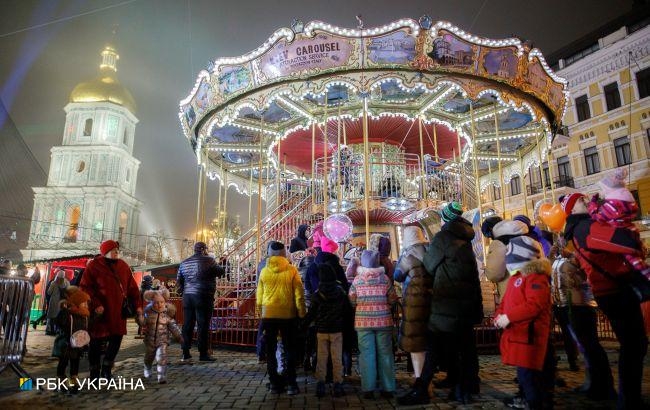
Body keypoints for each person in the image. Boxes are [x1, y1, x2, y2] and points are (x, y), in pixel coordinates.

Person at [564, 191, 648, 409]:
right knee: (634, 345)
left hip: (611, 289)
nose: (585, 200)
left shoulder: (584, 226)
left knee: (634, 344)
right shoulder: (585, 227)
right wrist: (629, 232)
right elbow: (623, 242)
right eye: (580, 200)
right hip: (614, 290)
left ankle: (629, 397)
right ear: (572, 209)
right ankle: (629, 400)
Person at [401, 202, 483, 405]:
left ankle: (422, 389)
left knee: (434, 345)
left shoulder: (443, 237)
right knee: (465, 347)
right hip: (467, 301)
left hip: (447, 300)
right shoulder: (466, 238)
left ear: (444, 219)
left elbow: (429, 265)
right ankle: (466, 386)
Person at [494, 236, 553, 410]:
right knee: (524, 373)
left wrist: (509, 317)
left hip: (530, 335)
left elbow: (534, 304)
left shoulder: (536, 277)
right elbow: (506, 301)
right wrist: (499, 315)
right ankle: (526, 398)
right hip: (519, 334)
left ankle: (534, 403)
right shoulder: (516, 277)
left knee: (529, 376)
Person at [550, 242, 615, 399]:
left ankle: (602, 384)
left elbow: (588, 272)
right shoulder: (559, 256)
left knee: (589, 345)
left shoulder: (581, 251)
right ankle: (591, 381)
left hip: (579, 304)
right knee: (583, 345)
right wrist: (551, 256)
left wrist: (572, 256)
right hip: (562, 304)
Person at [80, 240, 143, 380]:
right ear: (106, 252)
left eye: (117, 250)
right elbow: (85, 287)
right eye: (114, 250)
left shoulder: (123, 266)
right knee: (96, 342)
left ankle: (107, 369)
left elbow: (132, 289)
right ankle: (94, 372)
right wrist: (95, 304)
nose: (117, 252)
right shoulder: (94, 266)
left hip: (118, 312)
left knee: (116, 339)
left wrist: (138, 306)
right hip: (100, 313)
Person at [256, 241, 306, 395]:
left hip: (269, 315)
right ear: (285, 253)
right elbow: (299, 295)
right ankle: (291, 384)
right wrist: (301, 314)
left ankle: (274, 383)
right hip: (288, 315)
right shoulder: (292, 270)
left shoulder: (264, 271)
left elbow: (259, 297)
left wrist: (261, 314)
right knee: (290, 349)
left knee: (270, 351)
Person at [349, 249, 398, 400]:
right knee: (385, 354)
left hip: (363, 322)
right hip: (383, 321)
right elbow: (393, 299)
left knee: (366, 355)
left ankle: (368, 389)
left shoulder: (357, 280)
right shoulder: (385, 279)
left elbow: (351, 300)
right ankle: (388, 388)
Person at [302, 263, 351, 398]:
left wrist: (303, 325)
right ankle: (338, 384)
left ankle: (321, 384)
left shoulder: (317, 294)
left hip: (321, 331)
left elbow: (311, 313)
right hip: (337, 331)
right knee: (337, 358)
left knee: (322, 358)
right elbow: (347, 311)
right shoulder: (340, 292)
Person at [393, 226, 432, 389]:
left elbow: (397, 275)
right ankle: (428, 377)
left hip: (414, 303)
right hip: (432, 300)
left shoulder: (407, 256)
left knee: (416, 344)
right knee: (429, 341)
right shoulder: (431, 252)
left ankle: (420, 379)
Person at [176, 241, 224, 362]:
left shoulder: (184, 263)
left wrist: (185, 291)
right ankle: (203, 354)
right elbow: (221, 271)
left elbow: (179, 282)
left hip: (188, 297)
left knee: (187, 325)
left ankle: (185, 353)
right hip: (203, 297)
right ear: (203, 249)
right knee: (203, 325)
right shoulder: (210, 260)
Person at [137, 289, 183, 384]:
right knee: (149, 357)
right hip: (150, 341)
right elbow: (142, 323)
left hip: (162, 340)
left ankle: (161, 375)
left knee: (161, 357)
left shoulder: (167, 315)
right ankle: (147, 368)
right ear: (152, 303)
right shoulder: (148, 313)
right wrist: (139, 316)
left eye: (161, 302)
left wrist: (179, 336)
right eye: (156, 302)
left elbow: (173, 327)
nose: (159, 304)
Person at [55, 286, 91, 394]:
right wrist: (65, 310)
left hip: (77, 344)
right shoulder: (68, 313)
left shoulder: (84, 315)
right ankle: (61, 381)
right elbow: (60, 323)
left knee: (75, 363)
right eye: (83, 303)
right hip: (66, 343)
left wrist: (97, 315)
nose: (86, 305)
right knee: (63, 363)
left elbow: (90, 324)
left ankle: (74, 382)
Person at [484, 219, 529, 303]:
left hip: (512, 295)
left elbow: (494, 274)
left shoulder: (499, 244)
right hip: (534, 293)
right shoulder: (530, 240)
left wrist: (487, 270)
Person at [47, 268, 70, 335]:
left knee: (52, 317)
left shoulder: (54, 283)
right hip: (62, 302)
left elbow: (49, 292)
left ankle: (51, 330)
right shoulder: (67, 283)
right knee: (61, 316)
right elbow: (69, 292)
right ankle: (59, 331)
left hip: (53, 301)